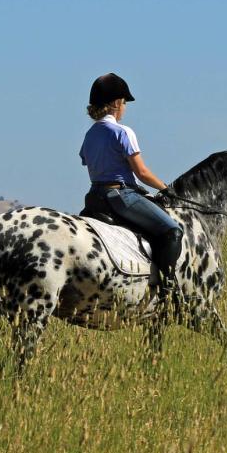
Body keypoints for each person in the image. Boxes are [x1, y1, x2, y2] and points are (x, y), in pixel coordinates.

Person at [79, 73, 184, 301]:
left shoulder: (89, 135)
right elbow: (142, 173)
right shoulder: (123, 132)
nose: (125, 107)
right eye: (124, 102)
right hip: (120, 195)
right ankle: (167, 291)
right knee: (173, 231)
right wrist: (166, 189)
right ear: (116, 103)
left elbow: (89, 163)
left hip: (94, 197)